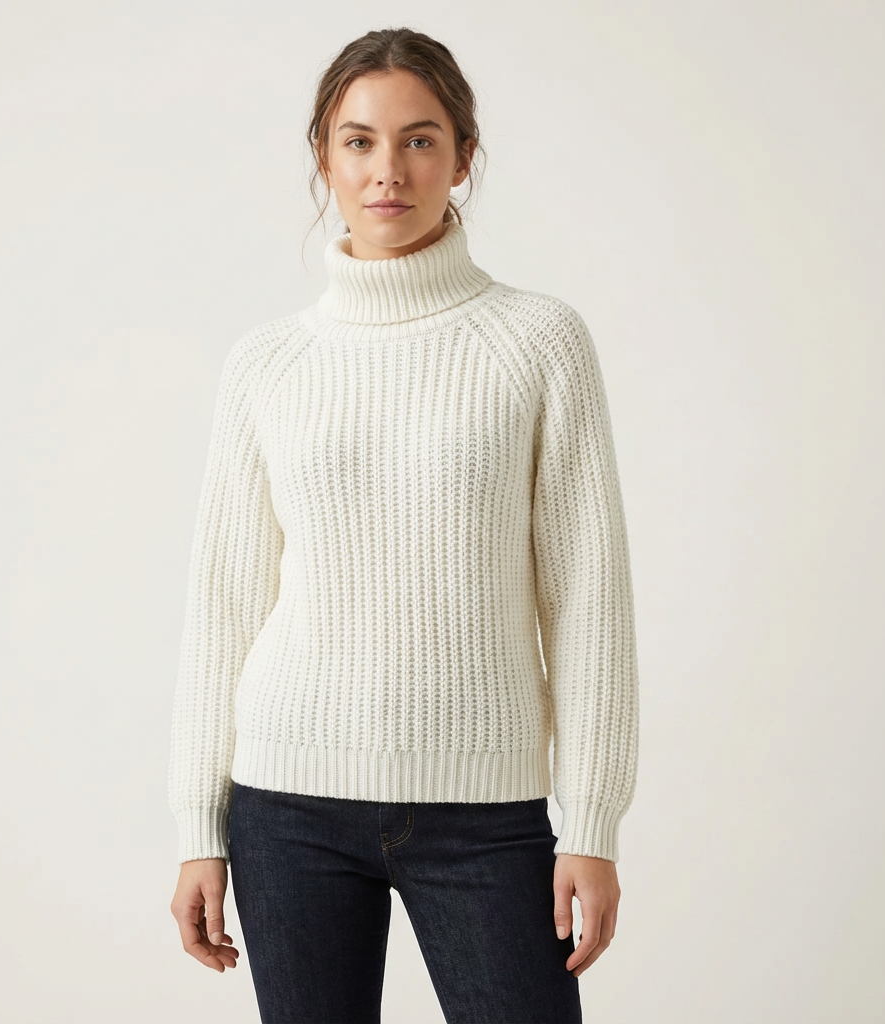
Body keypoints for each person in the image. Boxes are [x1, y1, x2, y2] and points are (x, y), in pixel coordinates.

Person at [167, 25, 639, 1024]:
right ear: (325, 158)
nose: (389, 170)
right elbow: (223, 607)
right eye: (360, 142)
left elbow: (588, 598)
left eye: (420, 140)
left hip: (485, 813)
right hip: (285, 806)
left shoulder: (538, 341)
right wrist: (197, 827)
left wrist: (591, 825)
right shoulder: (266, 364)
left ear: (463, 158)